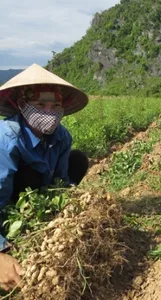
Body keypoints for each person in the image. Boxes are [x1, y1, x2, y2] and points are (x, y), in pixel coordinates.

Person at [0, 64, 89, 291]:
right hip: (7, 196)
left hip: (37, 193)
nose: (49, 111)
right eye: (40, 105)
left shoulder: (61, 136)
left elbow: (60, 181)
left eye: (55, 105)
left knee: (78, 160)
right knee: (29, 172)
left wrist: (68, 210)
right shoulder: (7, 138)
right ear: (22, 106)